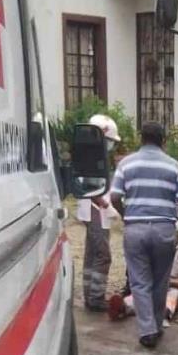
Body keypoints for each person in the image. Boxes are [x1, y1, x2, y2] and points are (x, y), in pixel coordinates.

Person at [110, 122, 178, 349]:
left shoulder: (126, 163)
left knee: (139, 282)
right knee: (160, 281)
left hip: (135, 229)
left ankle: (147, 330)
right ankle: (156, 326)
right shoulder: (173, 165)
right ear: (163, 141)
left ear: (141, 138)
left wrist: (126, 214)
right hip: (164, 229)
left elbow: (114, 197)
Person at [108, 228, 178, 325]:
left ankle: (164, 312)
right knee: (141, 293)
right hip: (153, 286)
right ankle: (123, 307)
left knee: (172, 294)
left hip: (175, 289)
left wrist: (166, 282)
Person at [76, 114, 120, 311]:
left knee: (92, 254)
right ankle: (96, 298)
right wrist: (106, 205)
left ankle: (90, 296)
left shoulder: (90, 154)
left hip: (93, 209)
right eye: (109, 141)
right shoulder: (90, 156)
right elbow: (89, 188)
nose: (111, 145)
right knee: (103, 255)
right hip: (95, 210)